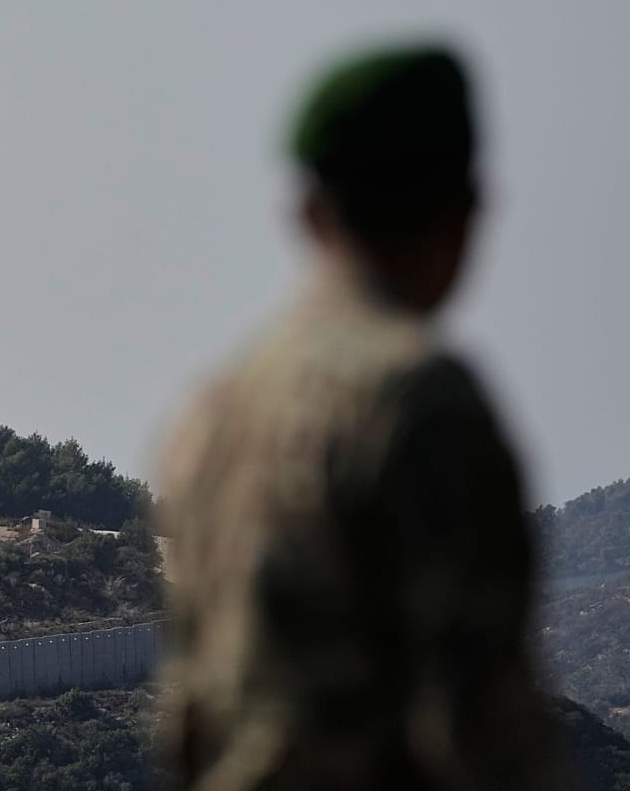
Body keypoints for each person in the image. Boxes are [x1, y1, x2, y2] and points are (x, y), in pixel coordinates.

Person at [156, 44, 568, 790]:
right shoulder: (420, 400)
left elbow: (191, 715)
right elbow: (481, 723)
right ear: (465, 212)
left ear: (308, 213)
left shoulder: (213, 412)